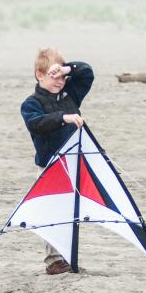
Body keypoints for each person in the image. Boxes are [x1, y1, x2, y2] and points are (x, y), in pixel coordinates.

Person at [20, 48, 95, 275]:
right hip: (50, 166)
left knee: (70, 212)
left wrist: (66, 68)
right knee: (52, 213)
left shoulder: (70, 95)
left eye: (62, 77)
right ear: (39, 75)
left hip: (74, 163)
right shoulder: (31, 103)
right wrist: (62, 117)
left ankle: (67, 258)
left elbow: (87, 73)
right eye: (53, 77)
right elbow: (37, 124)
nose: (60, 81)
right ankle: (53, 261)